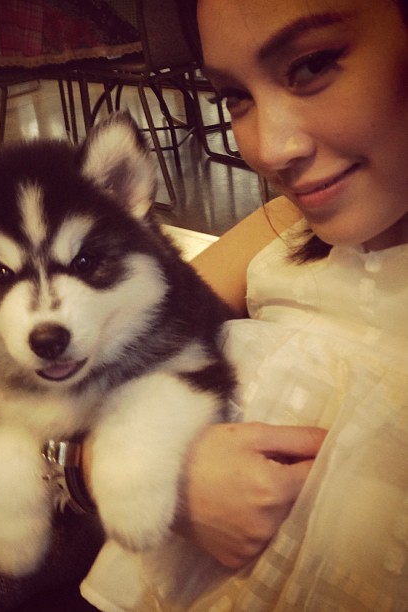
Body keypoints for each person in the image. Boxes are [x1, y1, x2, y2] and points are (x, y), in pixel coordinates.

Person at [79, 0, 408, 609]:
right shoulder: (281, 231)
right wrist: (144, 471)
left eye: (313, 65)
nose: (269, 149)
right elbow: (72, 372)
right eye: (235, 97)